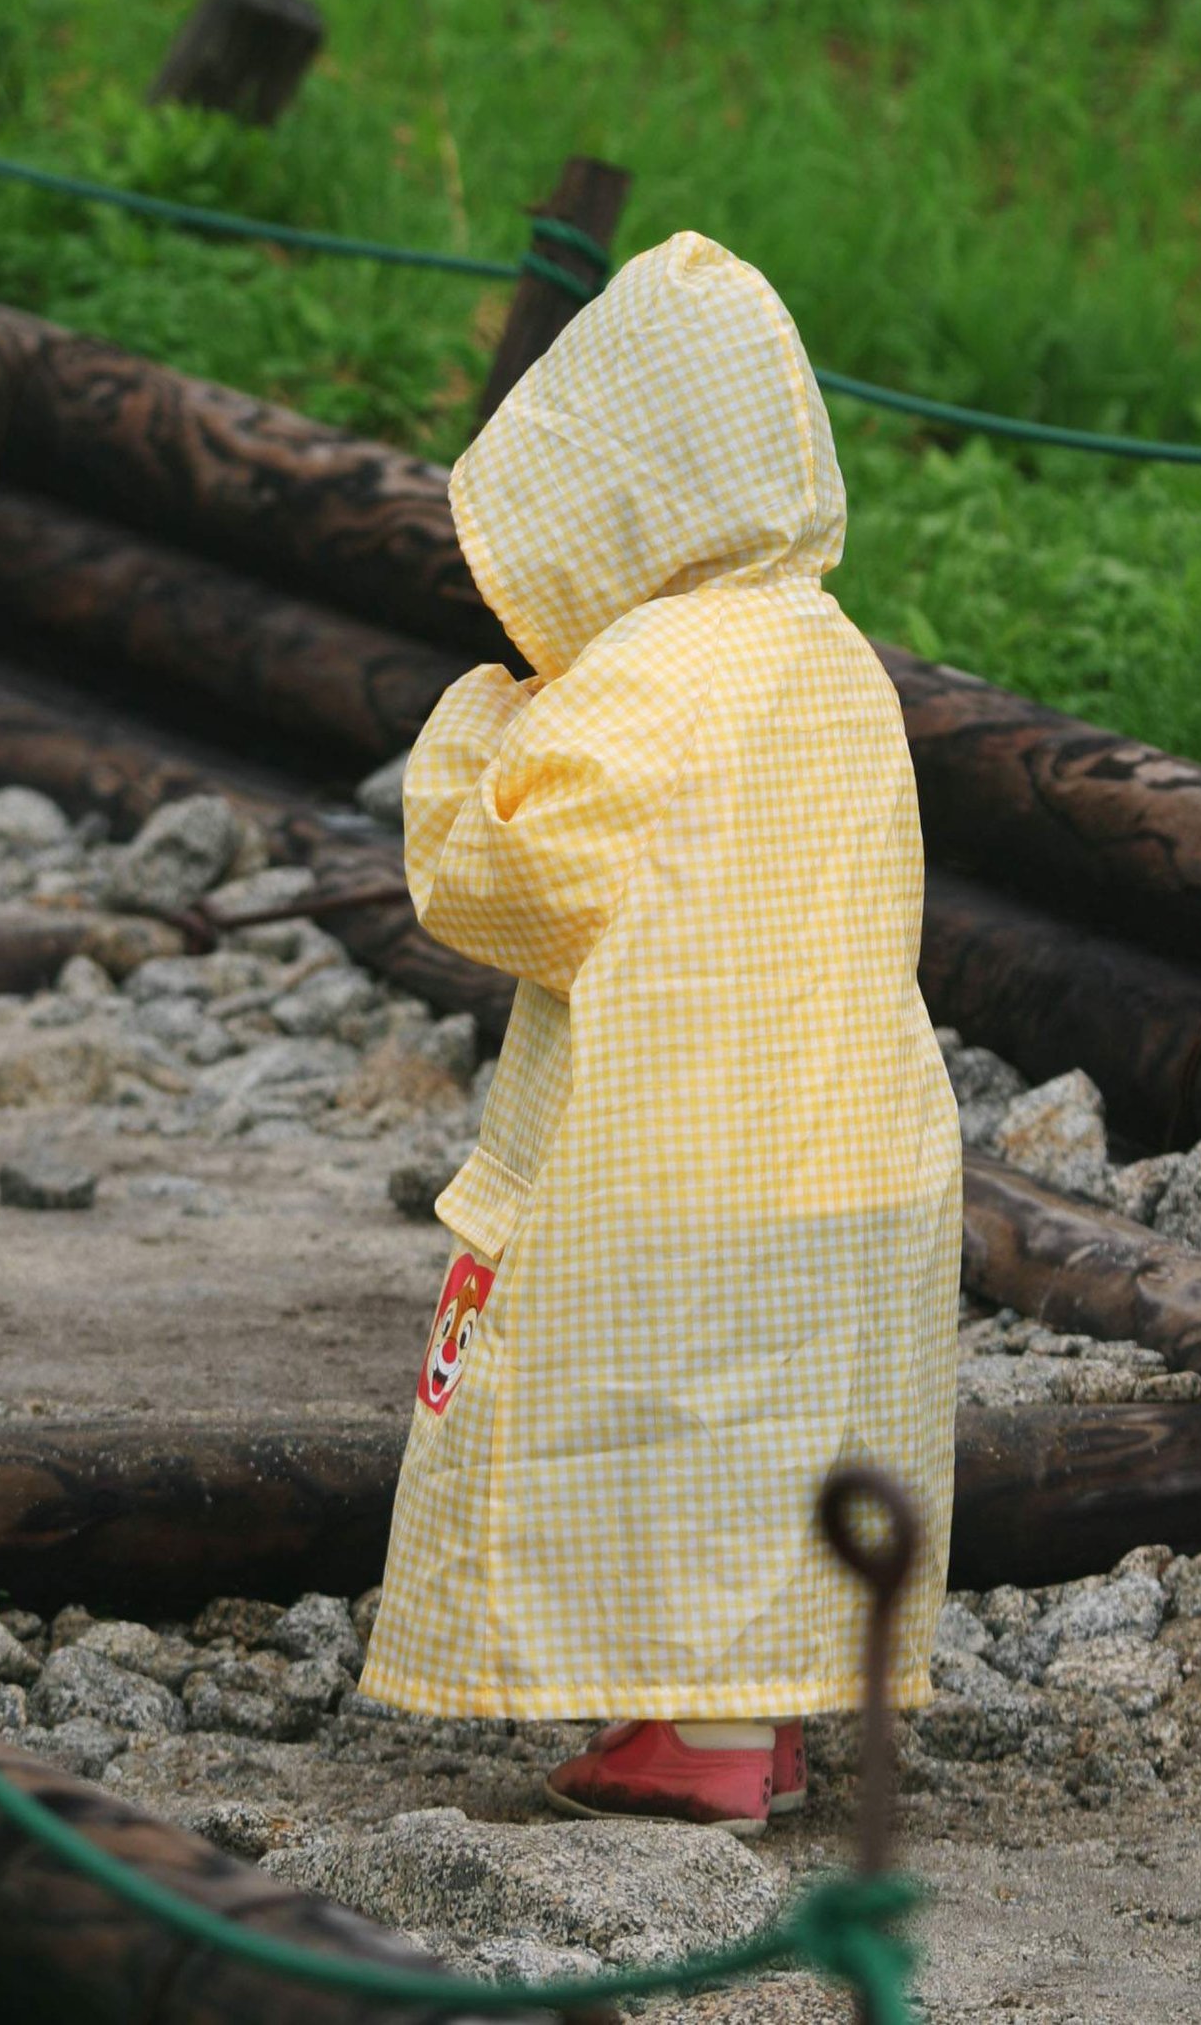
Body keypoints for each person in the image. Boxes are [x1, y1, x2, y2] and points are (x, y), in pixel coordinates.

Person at [357, 231, 961, 1834]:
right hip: (858, 1130)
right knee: (787, 1420)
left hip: (684, 1145)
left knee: (665, 1410)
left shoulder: (659, 672)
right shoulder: (830, 653)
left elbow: (510, 880)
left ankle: (690, 1733)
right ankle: (750, 1714)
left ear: (624, 487)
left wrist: (480, 729)